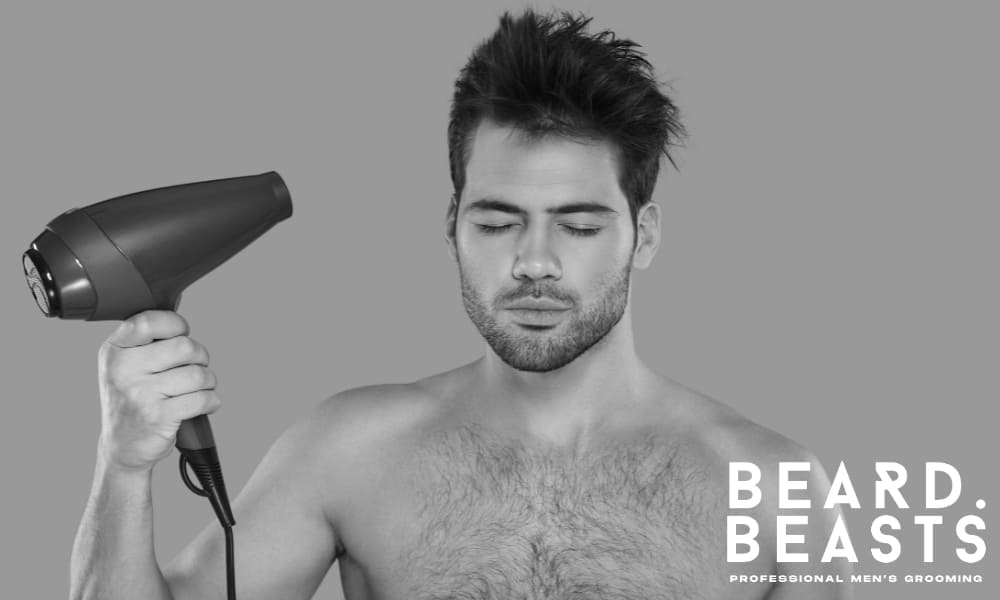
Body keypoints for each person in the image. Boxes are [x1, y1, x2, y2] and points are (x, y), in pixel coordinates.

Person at [70, 10, 852, 600]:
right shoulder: (351, 450)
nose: (534, 262)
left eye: (578, 224)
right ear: (452, 225)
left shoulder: (773, 486)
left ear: (643, 235)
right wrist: (126, 462)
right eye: (497, 220)